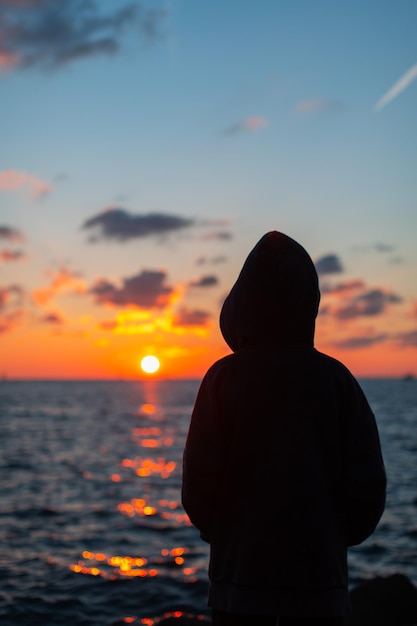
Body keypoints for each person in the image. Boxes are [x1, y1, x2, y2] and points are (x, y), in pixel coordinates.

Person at [182, 231, 386, 626]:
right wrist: (338, 537)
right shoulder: (336, 379)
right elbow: (367, 479)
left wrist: (220, 532)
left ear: (239, 306)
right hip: (320, 585)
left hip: (237, 582)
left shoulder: (222, 378)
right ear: (308, 303)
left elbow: (200, 476)